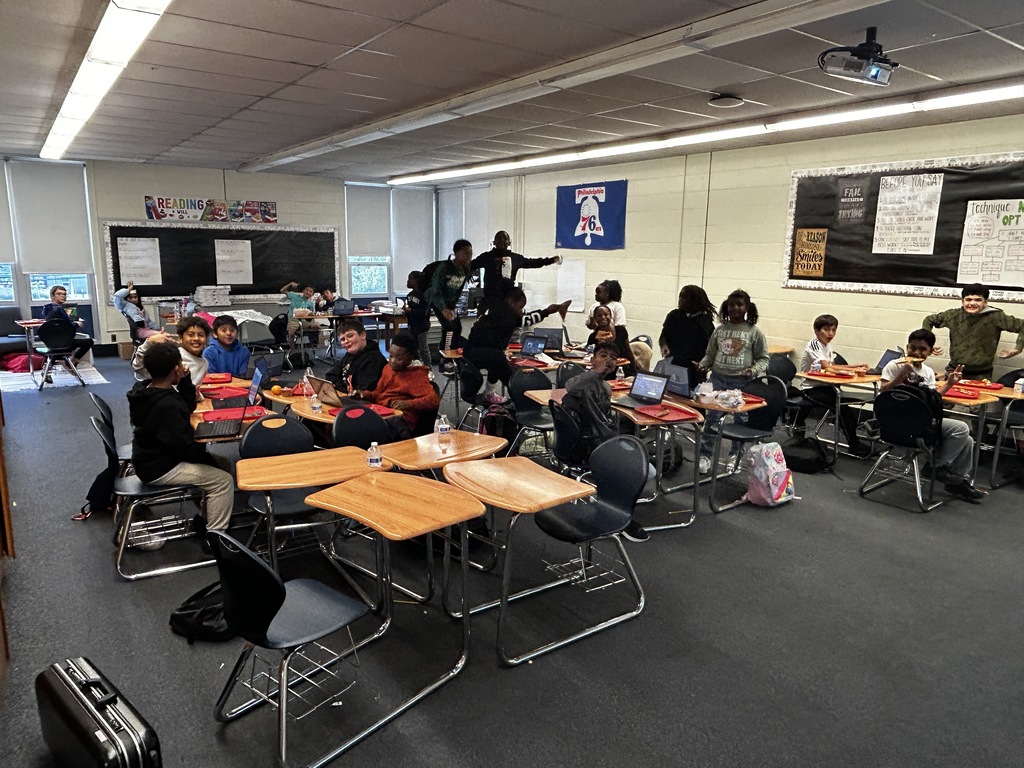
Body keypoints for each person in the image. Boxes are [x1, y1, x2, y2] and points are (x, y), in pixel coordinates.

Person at [127, 342, 234, 550]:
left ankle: (206, 519)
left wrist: (184, 381)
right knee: (223, 480)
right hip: (160, 467)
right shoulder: (167, 404)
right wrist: (208, 460)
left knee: (223, 464)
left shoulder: (145, 390)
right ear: (175, 368)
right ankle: (217, 540)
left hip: (149, 458)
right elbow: (185, 448)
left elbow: (186, 407)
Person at [879, 329, 985, 502]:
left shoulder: (927, 372)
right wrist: (901, 376)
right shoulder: (895, 365)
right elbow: (883, 392)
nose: (917, 353)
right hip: (898, 420)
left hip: (921, 420)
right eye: (913, 348)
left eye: (922, 349)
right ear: (907, 347)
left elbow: (933, 398)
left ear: (929, 351)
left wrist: (950, 384)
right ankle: (935, 466)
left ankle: (956, 480)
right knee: (962, 428)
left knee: (967, 441)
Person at [561, 341, 649, 543]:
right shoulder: (582, 382)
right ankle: (620, 518)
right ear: (592, 360)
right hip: (585, 445)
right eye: (602, 355)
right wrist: (595, 371)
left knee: (640, 458)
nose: (607, 360)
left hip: (600, 440)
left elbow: (605, 420)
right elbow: (571, 387)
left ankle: (618, 508)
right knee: (630, 465)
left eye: (612, 357)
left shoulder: (605, 387)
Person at [695, 289, 770, 471]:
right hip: (718, 379)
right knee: (712, 419)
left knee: (740, 421)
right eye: (731, 305)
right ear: (726, 307)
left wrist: (752, 370)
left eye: (740, 305)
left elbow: (763, 359)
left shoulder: (754, 332)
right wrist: (703, 365)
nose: (735, 308)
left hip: (741, 383)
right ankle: (705, 456)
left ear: (747, 308)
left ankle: (735, 456)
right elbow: (710, 354)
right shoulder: (720, 330)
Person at [464, 287, 571, 402]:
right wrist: (547, 311)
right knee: (509, 374)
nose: (520, 311)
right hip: (477, 353)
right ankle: (523, 399)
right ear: (511, 301)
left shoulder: (493, 307)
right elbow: (525, 320)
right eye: (520, 307)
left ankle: (491, 393)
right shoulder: (504, 312)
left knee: (498, 360)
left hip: (474, 352)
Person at [797, 314, 872, 457]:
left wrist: (856, 366)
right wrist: (855, 370)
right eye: (826, 330)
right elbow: (828, 368)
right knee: (841, 409)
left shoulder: (827, 345)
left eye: (833, 330)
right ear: (817, 331)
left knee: (845, 408)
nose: (831, 334)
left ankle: (854, 441)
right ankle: (854, 445)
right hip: (810, 389)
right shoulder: (814, 344)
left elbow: (833, 366)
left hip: (826, 386)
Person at [922, 283, 1024, 381]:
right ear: (962, 301)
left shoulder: (996, 316)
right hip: (955, 370)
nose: (972, 303)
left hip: (982, 373)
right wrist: (928, 343)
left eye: (978, 300)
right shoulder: (953, 315)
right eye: (968, 299)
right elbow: (928, 320)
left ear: (985, 302)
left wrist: (1018, 348)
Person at [352, 334, 440, 440]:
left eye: (399, 358)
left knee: (361, 432)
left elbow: (433, 400)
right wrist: (365, 394)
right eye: (391, 356)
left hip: (400, 422)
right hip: (383, 412)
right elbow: (378, 393)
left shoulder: (417, 375)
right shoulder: (388, 369)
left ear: (410, 358)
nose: (392, 361)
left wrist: (408, 404)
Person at [470, 230, 560, 310]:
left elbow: (533, 262)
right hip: (489, 300)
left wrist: (551, 260)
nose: (502, 242)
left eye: (504, 239)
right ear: (494, 242)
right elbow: (471, 265)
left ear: (509, 243)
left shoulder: (515, 258)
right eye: (499, 239)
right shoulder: (487, 257)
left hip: (508, 301)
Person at [659, 285, 716, 387]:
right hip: (673, 363)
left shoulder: (704, 321)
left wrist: (704, 364)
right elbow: (664, 335)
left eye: (684, 297)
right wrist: (664, 346)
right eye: (680, 296)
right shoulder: (673, 315)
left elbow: (711, 348)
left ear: (694, 300)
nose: (680, 300)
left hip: (693, 368)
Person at [132, 316, 211, 389]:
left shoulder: (204, 363)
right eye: (190, 335)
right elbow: (139, 368)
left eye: (201, 335)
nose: (196, 338)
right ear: (180, 338)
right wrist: (149, 342)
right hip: (167, 401)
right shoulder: (171, 357)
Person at [425, 239, 474, 355]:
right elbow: (435, 291)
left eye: (470, 253)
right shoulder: (444, 268)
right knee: (448, 328)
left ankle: (453, 354)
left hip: (450, 303)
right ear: (456, 253)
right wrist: (443, 309)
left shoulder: (465, 270)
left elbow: (459, 290)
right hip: (436, 300)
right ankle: (444, 356)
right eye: (465, 253)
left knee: (457, 328)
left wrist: (453, 306)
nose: (469, 256)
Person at [325, 318, 387, 394]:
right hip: (348, 397)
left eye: (350, 336)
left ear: (363, 335)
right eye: (342, 339)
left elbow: (362, 390)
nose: (346, 341)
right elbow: (330, 376)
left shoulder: (374, 359)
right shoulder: (349, 355)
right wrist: (345, 388)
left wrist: (338, 386)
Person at [40, 285, 94, 369]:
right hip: (63, 342)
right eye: (59, 294)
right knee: (89, 341)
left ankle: (49, 366)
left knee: (56, 347)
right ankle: (72, 362)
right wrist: (77, 324)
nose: (63, 296)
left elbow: (59, 324)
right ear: (52, 296)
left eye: (64, 294)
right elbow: (68, 328)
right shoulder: (59, 309)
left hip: (51, 343)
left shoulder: (47, 308)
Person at [585, 305, 636, 378]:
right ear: (595, 319)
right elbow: (590, 356)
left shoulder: (621, 331)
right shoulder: (593, 337)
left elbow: (629, 352)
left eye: (606, 314)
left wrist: (634, 371)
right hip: (603, 373)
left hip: (621, 371)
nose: (603, 317)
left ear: (611, 316)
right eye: (599, 316)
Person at [280, 280, 316, 352]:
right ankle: (293, 350)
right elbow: (282, 290)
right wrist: (290, 284)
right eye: (306, 290)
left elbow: (312, 315)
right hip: (293, 319)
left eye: (310, 291)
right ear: (303, 291)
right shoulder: (294, 296)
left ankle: (314, 346)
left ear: (312, 295)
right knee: (291, 333)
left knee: (317, 327)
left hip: (303, 321)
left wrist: (312, 321)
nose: (308, 292)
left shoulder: (310, 303)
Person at [404, 270, 431, 366]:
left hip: (422, 326)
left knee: (423, 349)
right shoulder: (409, 296)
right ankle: (418, 367)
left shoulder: (424, 295)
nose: (407, 282)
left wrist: (410, 311)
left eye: (409, 279)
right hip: (412, 325)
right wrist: (406, 311)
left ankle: (429, 369)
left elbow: (424, 312)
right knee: (414, 349)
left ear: (416, 280)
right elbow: (410, 311)